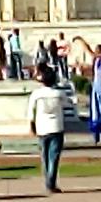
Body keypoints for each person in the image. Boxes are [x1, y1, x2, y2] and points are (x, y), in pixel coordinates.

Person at [28, 64, 65, 192]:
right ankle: (51, 182)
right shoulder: (59, 94)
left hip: (42, 127)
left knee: (44, 156)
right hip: (56, 127)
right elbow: (66, 104)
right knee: (53, 157)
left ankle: (48, 180)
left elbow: (30, 112)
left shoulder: (36, 94)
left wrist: (32, 126)